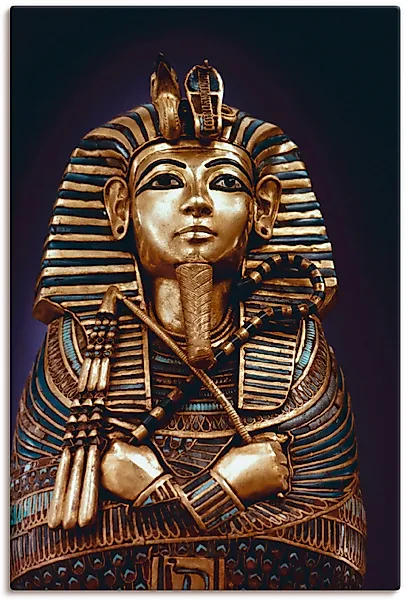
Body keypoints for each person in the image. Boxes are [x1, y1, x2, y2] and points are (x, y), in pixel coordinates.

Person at [10, 56, 366, 590]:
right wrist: (231, 488)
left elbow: (331, 543)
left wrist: (149, 493)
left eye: (224, 181)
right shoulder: (77, 353)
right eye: (165, 181)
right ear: (120, 209)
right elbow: (38, 541)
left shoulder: (297, 355)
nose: (197, 202)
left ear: (263, 210)